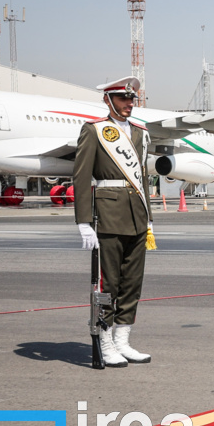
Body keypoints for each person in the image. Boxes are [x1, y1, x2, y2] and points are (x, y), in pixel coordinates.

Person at [74, 76, 154, 368]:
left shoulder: (141, 133)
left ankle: (123, 340)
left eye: (132, 99)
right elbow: (81, 176)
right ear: (108, 100)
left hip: (137, 215)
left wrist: (150, 219)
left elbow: (143, 178)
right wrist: (83, 220)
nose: (129, 104)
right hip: (107, 215)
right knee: (109, 282)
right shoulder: (94, 131)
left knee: (132, 282)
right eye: (122, 98)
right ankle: (105, 341)